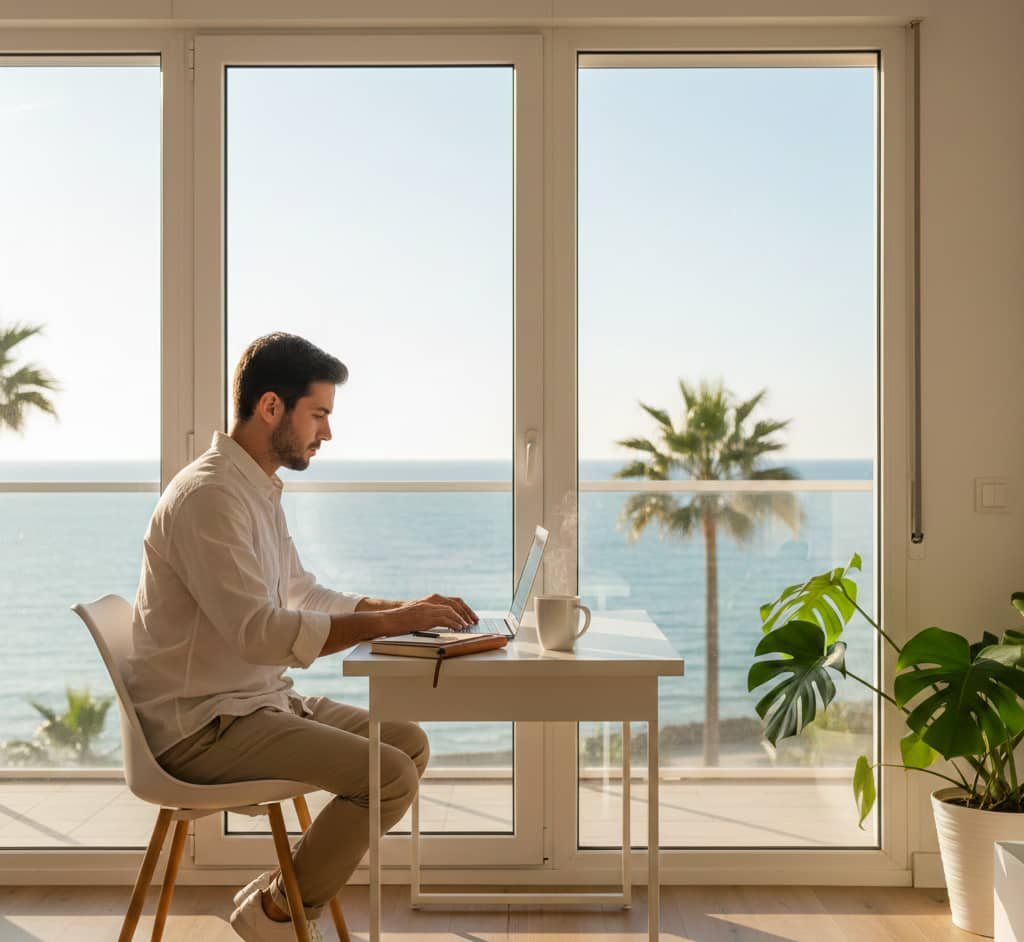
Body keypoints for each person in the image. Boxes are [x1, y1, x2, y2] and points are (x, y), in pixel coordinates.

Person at [127, 332, 477, 941]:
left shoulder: (253, 488)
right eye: (318, 414)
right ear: (271, 407)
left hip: (253, 703)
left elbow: (303, 594)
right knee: (389, 776)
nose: (328, 433)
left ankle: (276, 903)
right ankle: (278, 915)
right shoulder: (209, 497)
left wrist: (408, 610)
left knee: (408, 744)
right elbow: (260, 635)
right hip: (202, 726)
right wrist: (389, 624)